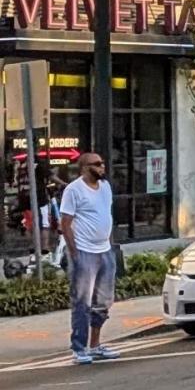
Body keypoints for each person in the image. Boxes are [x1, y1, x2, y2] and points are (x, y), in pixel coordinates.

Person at [60, 151, 118, 365]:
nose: (102, 167)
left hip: (105, 251)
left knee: (103, 302)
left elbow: (107, 215)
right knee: (82, 303)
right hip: (84, 252)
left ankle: (95, 345)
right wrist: (74, 253)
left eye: (103, 163)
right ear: (85, 168)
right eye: (97, 164)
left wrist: (110, 245)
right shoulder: (73, 190)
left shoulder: (105, 187)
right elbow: (65, 223)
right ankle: (79, 348)